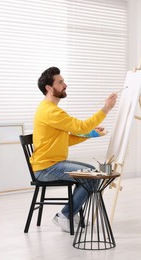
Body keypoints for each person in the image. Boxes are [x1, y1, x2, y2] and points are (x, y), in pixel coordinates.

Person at [30, 66, 117, 232]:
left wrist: (92, 134)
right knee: (91, 175)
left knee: (90, 172)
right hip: (46, 168)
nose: (65, 85)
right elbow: (80, 126)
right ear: (49, 88)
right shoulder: (51, 112)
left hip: (50, 164)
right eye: (60, 82)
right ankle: (65, 216)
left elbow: (65, 140)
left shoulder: (48, 109)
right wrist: (106, 109)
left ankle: (70, 213)